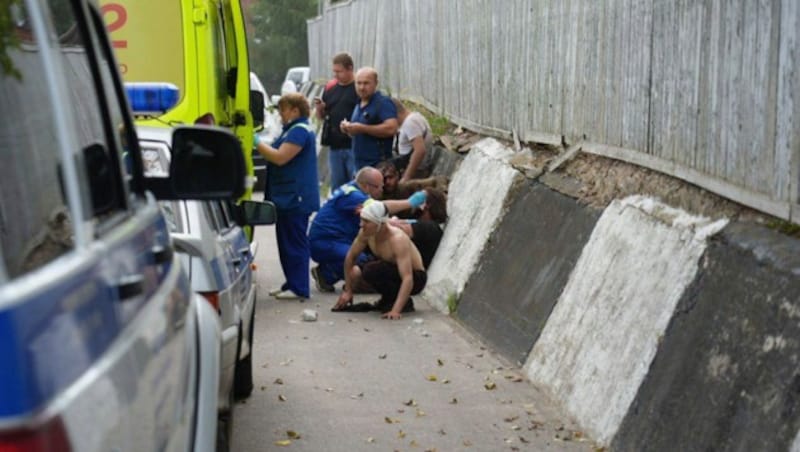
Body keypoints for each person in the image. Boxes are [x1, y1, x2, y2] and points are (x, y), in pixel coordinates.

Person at [308, 168, 427, 293]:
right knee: (362, 261)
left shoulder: (351, 190)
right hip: (327, 242)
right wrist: (410, 203)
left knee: (363, 256)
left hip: (332, 240)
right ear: (366, 186)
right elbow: (381, 208)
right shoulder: (353, 196)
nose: (382, 190)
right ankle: (328, 274)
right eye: (378, 187)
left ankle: (327, 273)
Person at [254, 93, 320, 300]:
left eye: (283, 109)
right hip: (287, 196)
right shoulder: (291, 130)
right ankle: (291, 282)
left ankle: (299, 287)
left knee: (294, 242)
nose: (281, 114)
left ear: (294, 110)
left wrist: (255, 142)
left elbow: (280, 157)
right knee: (286, 241)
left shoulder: (299, 131)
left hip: (295, 197)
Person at [333, 202, 427, 320]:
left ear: (380, 223)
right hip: (393, 270)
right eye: (361, 220)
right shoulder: (366, 233)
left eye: (366, 222)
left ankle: (402, 303)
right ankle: (388, 299)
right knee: (365, 270)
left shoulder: (397, 239)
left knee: (373, 269)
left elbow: (408, 278)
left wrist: (395, 311)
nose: (361, 225)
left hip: (416, 278)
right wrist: (348, 290)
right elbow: (350, 258)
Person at [314, 52, 359, 191]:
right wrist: (320, 108)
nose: (336, 75)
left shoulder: (359, 88)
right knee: (338, 186)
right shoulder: (330, 88)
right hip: (335, 145)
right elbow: (322, 116)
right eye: (334, 71)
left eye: (339, 71)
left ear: (350, 68)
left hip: (353, 145)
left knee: (355, 184)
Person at [339, 67, 398, 170]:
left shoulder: (382, 102)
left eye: (366, 83)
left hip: (378, 167)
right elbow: (358, 132)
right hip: (359, 166)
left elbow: (391, 128)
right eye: (359, 83)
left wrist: (363, 128)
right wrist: (348, 129)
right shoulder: (358, 103)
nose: (362, 87)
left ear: (376, 83)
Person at [388, 187, 447, 269]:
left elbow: (398, 228)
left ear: (427, 205)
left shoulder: (430, 227)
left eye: (419, 198)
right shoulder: (417, 222)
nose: (415, 200)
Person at [391, 98, 434, 182]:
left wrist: (406, 177)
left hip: (415, 173)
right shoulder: (409, 120)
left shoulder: (410, 122)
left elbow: (420, 151)